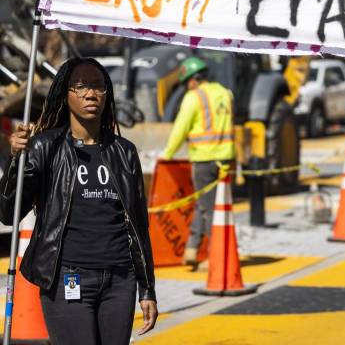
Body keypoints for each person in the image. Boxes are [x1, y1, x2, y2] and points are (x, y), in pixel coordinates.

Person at [1, 57, 158, 345]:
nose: (91, 94)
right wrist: (16, 161)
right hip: (67, 278)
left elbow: (139, 226)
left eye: (98, 86)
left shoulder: (125, 152)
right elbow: (8, 213)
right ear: (65, 94)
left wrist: (147, 289)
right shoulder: (44, 146)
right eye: (81, 86)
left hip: (120, 281)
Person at [160, 56, 235, 267]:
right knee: (207, 205)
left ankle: (216, 258)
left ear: (193, 80)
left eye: (186, 83)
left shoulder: (194, 97)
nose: (187, 87)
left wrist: (167, 154)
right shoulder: (225, 93)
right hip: (225, 159)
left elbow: (180, 129)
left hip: (204, 160)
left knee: (210, 210)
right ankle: (192, 249)